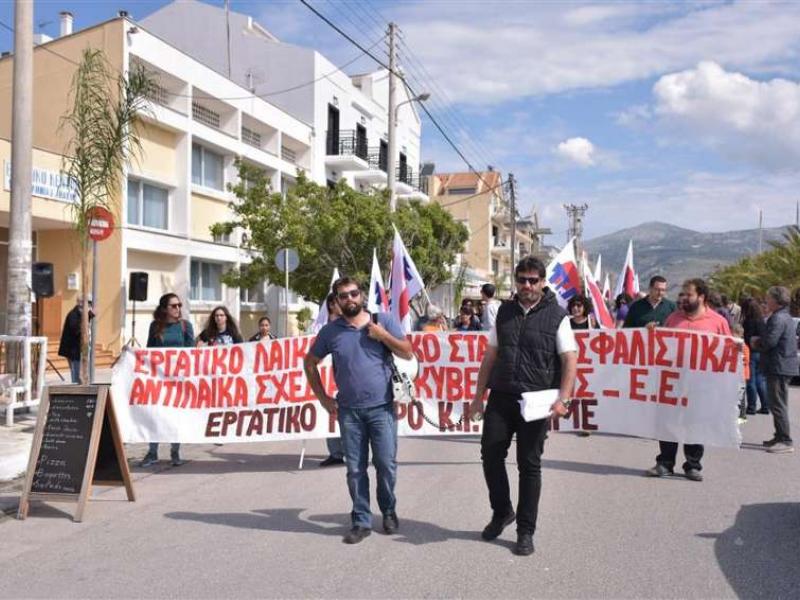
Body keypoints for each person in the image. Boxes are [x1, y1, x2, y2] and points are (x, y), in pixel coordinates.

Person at [468, 256, 577, 557]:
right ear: (515, 282)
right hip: (502, 396)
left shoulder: (558, 316)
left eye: (532, 280)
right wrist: (478, 396)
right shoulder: (503, 312)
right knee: (490, 454)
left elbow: (570, 360)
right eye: (522, 280)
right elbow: (490, 356)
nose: (526, 285)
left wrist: (563, 399)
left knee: (529, 465)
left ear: (542, 282)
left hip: (537, 401)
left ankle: (525, 531)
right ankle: (502, 511)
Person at [304, 277, 413, 544]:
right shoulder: (330, 332)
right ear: (337, 302)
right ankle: (361, 520)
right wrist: (323, 398)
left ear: (361, 295)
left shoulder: (383, 320)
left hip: (382, 408)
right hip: (349, 413)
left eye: (353, 294)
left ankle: (388, 510)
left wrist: (383, 336)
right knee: (355, 469)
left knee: (386, 465)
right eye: (343, 296)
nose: (349, 299)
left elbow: (408, 353)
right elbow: (310, 364)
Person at [645, 278, 731, 482]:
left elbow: (728, 350)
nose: (683, 298)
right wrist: (650, 334)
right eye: (682, 294)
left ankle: (692, 465)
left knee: (695, 423)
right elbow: (660, 345)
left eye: (688, 294)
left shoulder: (718, 322)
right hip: (673, 381)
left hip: (702, 384)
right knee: (668, 423)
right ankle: (665, 463)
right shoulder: (673, 318)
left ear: (701, 297)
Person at [141, 293, 195, 467]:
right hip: (159, 379)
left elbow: (191, 353)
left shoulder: (186, 326)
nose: (178, 308)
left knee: (175, 416)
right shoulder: (155, 326)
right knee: (155, 415)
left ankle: (175, 452)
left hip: (178, 380)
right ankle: (152, 452)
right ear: (164, 308)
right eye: (173, 306)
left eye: (179, 305)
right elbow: (149, 351)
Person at [752, 286, 799, 454]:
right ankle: (779, 435)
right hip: (781, 365)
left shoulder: (778, 319)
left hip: (778, 366)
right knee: (778, 403)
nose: (766, 301)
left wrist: (756, 342)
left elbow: (770, 341)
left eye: (769, 298)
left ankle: (785, 440)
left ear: (777, 301)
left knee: (778, 404)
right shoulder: (783, 316)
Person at [320, 293, 345, 468]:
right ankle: (335, 452)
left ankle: (354, 452)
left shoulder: (349, 324)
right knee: (330, 416)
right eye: (335, 302)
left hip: (343, 378)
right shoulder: (321, 326)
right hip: (325, 378)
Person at [741, 297, 769, 415]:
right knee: (760, 380)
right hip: (761, 353)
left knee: (750, 381)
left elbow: (746, 338)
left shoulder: (748, 321)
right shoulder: (761, 320)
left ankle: (751, 407)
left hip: (750, 352)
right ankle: (765, 406)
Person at [57, 296, 93, 384]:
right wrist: (88, 317)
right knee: (76, 376)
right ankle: (76, 392)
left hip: (78, 349)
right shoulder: (73, 314)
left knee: (80, 373)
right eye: (88, 304)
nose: (89, 307)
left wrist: (89, 316)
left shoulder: (81, 314)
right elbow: (76, 329)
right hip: (74, 350)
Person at [731, 323, 749, 423]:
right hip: (735, 375)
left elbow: (746, 360)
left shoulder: (743, 346)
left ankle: (742, 415)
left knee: (741, 396)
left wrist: (740, 358)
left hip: (742, 375)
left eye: (733, 334)